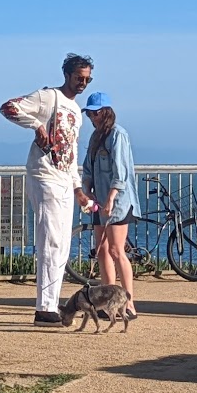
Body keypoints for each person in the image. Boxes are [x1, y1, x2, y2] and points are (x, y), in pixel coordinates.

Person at [0, 53, 95, 325]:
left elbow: (72, 152)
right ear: (67, 75)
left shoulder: (75, 111)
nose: (82, 83)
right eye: (79, 78)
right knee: (50, 240)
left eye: (87, 79)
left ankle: (51, 303)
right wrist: (36, 124)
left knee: (62, 243)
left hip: (64, 179)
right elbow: (8, 107)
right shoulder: (48, 97)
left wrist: (78, 188)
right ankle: (44, 307)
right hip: (45, 175)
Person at [80, 90, 140, 319]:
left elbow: (121, 172)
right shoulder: (95, 138)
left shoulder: (118, 135)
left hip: (119, 202)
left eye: (95, 113)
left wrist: (111, 198)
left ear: (105, 112)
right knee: (102, 249)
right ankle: (107, 301)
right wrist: (87, 191)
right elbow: (88, 168)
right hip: (99, 201)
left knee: (116, 250)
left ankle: (128, 303)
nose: (92, 118)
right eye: (89, 114)